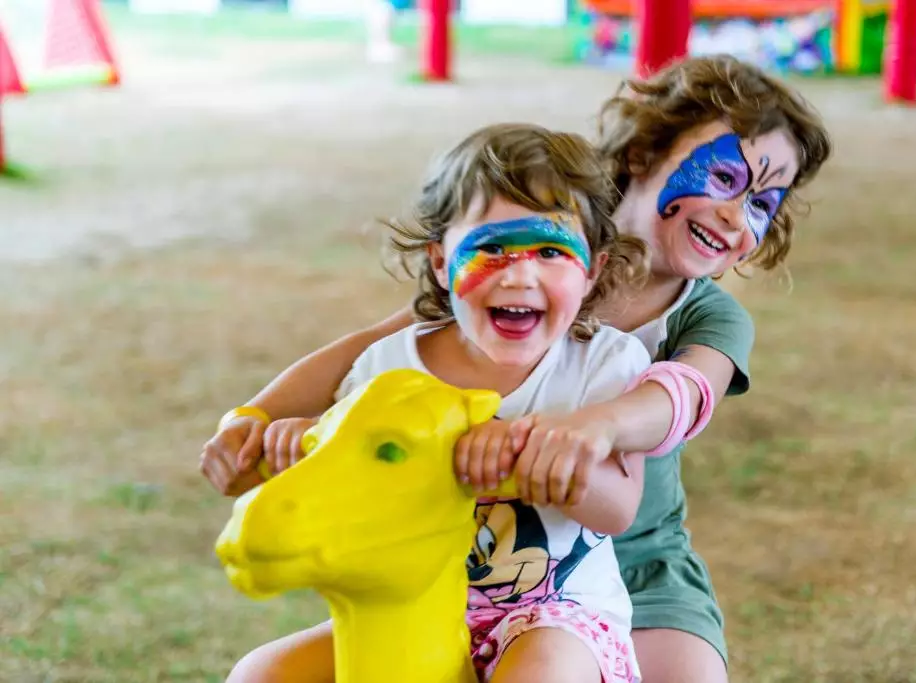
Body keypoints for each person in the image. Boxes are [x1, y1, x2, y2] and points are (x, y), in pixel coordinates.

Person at [202, 55, 833, 683]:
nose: (735, 214)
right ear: (643, 154)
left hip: (634, 569)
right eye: (722, 177)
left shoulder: (678, 329)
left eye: (761, 202)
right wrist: (261, 422)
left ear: (590, 267)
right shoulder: (502, 278)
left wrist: (590, 430)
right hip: (460, 567)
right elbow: (366, 355)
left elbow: (683, 395)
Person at [222, 122, 661, 682]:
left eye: (552, 250)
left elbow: (618, 509)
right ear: (439, 260)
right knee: (261, 673)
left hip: (558, 615)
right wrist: (303, 442)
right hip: (410, 600)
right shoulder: (388, 369)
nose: (520, 276)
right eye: (491, 248)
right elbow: (355, 469)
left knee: (540, 671)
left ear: (593, 269)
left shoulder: (604, 363)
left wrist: (529, 448)